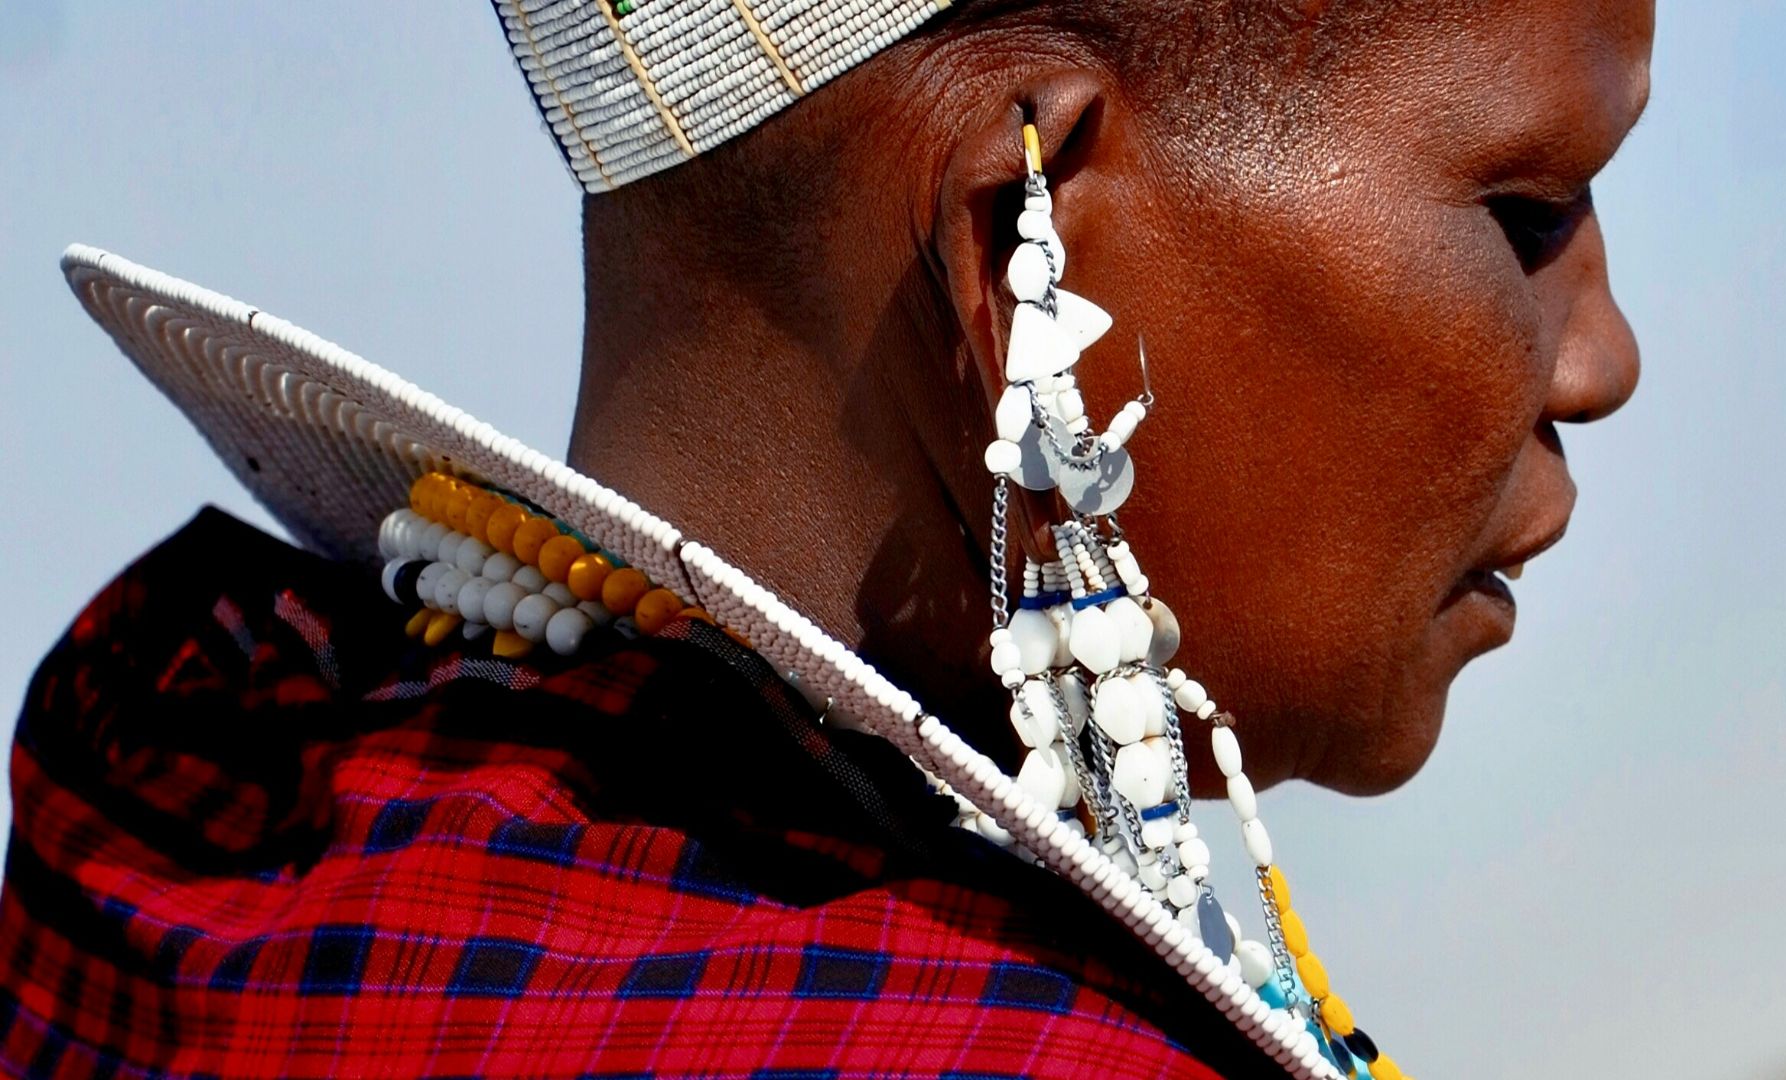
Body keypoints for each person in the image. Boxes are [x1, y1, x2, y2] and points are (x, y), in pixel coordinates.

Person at [2, 0, 1651, 1076]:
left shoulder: (174, 830)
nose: (1602, 357)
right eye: (1528, 214)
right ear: (1023, 238)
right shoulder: (1008, 1058)